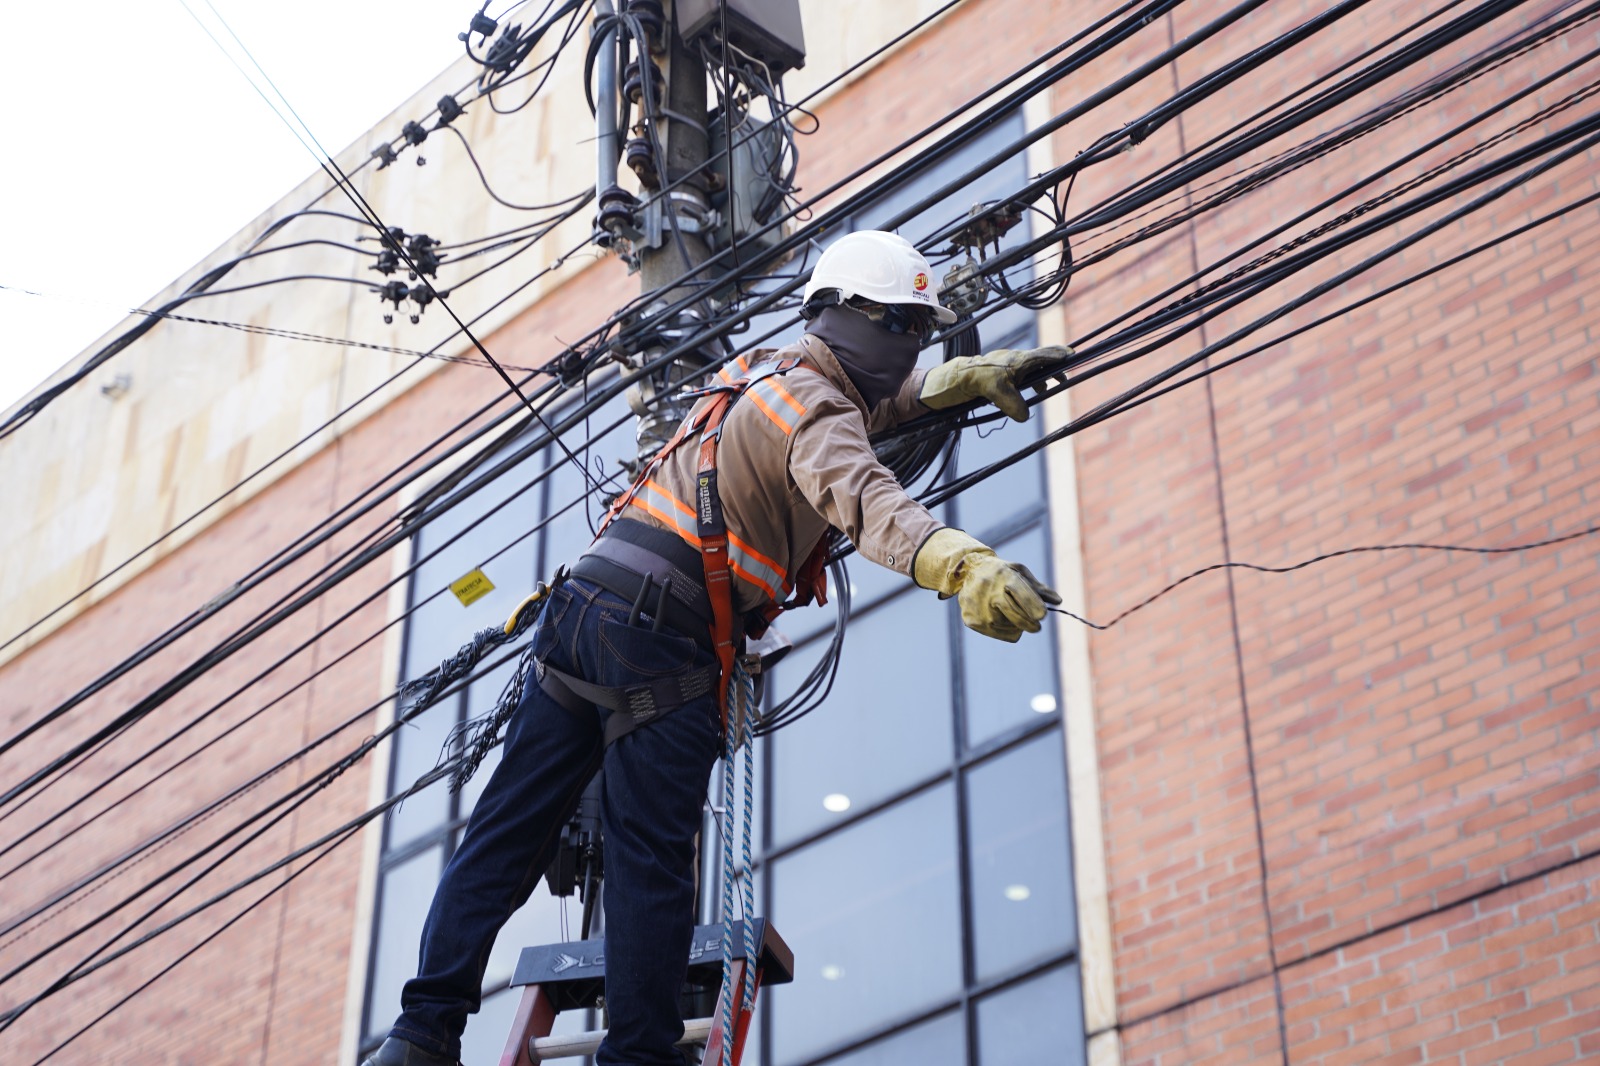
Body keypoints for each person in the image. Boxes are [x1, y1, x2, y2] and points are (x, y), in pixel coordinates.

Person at [364, 230, 1067, 1066]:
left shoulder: (764, 373)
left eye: (921, 331)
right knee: (648, 863)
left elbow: (874, 403)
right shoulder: (815, 409)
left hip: (583, 608)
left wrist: (952, 384)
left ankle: (420, 1035)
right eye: (902, 327)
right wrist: (963, 563)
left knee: (504, 835)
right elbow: (865, 492)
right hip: (663, 636)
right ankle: (641, 1058)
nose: (910, 343)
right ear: (844, 318)